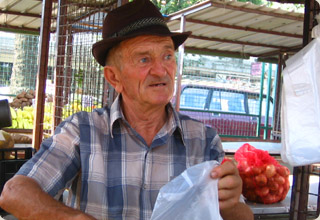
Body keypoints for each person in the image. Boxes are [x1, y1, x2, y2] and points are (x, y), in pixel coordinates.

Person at [0, 0, 254, 219]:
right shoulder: (83, 132)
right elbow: (15, 193)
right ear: (114, 78)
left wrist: (230, 203)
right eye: (144, 59)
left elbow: (242, 217)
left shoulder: (203, 139)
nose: (160, 70)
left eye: (167, 56)